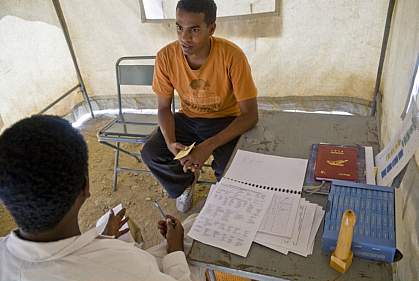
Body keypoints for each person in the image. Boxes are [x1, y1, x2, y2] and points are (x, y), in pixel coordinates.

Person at [0, 115, 201, 281]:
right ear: (85, 186)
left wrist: (103, 239)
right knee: (193, 226)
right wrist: (175, 249)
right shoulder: (125, 265)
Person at [141, 0, 258, 213]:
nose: (184, 38)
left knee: (232, 169)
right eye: (179, 27)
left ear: (211, 28)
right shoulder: (166, 57)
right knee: (151, 152)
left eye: (194, 30)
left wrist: (208, 146)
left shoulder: (232, 56)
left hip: (225, 121)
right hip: (188, 119)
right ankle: (185, 183)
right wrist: (170, 142)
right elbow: (164, 108)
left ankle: (225, 199)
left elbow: (250, 115)